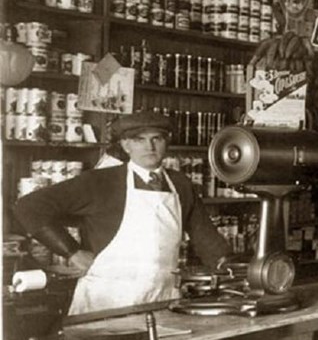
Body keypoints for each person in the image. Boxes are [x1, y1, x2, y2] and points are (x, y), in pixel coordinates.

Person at [14, 111, 230, 315]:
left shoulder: (180, 184)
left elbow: (206, 238)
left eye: (157, 139)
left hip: (161, 299)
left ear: (167, 143)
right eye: (139, 140)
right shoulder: (101, 181)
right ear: (126, 145)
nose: (150, 146)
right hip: (106, 303)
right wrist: (72, 252)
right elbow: (28, 207)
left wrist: (229, 270)